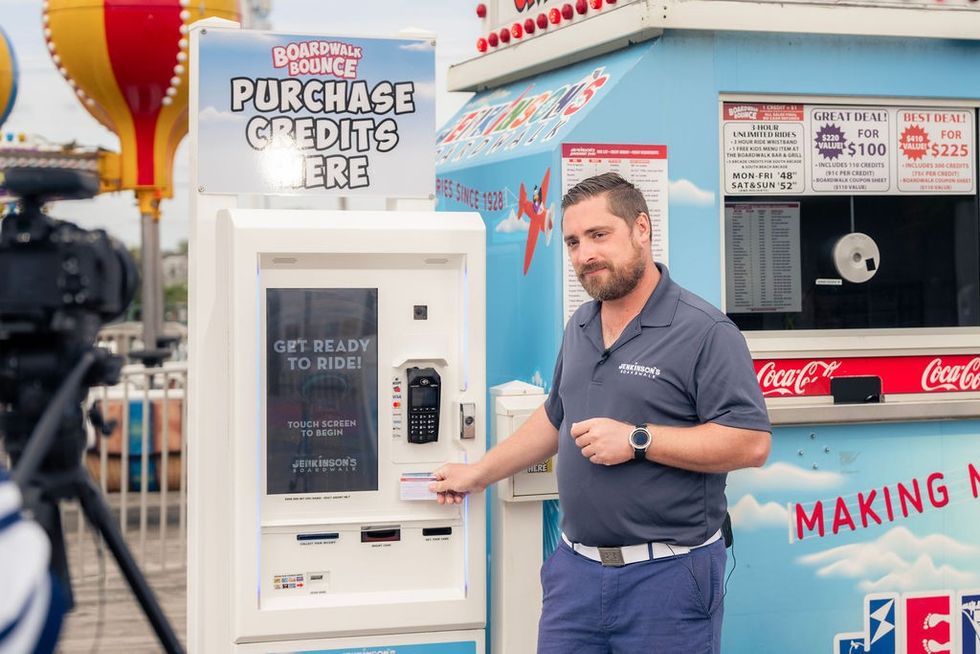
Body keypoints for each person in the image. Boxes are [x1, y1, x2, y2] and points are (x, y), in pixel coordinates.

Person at [429, 172, 772, 653]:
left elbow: (751, 443)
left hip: (668, 577)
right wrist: (478, 473)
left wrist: (638, 440)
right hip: (576, 575)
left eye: (598, 235)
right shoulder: (581, 324)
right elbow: (555, 417)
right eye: (572, 241)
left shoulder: (706, 331)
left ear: (641, 230)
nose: (584, 254)